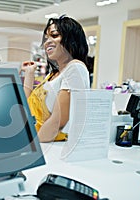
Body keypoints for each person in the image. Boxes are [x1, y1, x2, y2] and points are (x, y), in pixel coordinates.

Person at [20, 15, 90, 143]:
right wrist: (30, 74)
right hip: (36, 139)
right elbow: (26, 106)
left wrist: (32, 145)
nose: (47, 42)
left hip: (49, 146)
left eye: (55, 35)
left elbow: (58, 122)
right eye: (46, 38)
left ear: (72, 39)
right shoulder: (54, 74)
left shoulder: (75, 69)